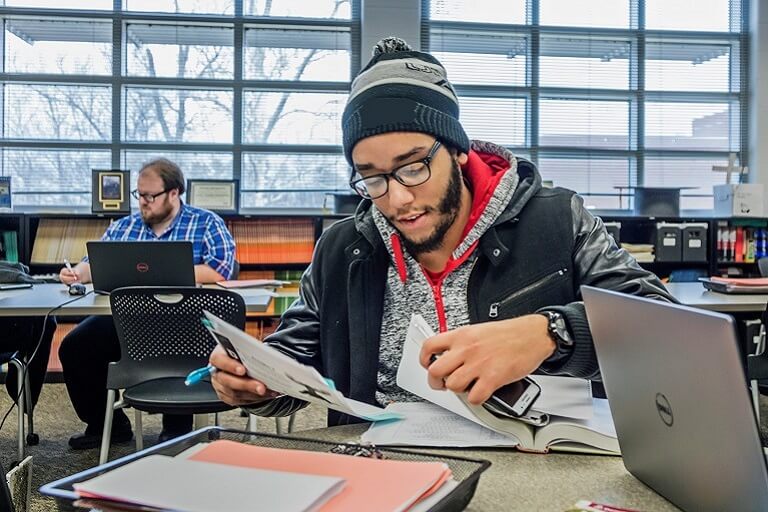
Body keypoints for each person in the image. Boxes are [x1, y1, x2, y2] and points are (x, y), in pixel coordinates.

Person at [209, 37, 674, 426]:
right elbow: (295, 369)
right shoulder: (341, 248)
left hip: (534, 468)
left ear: (456, 150)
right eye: (371, 179)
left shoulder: (557, 219)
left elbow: (665, 331)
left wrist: (552, 332)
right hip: (382, 472)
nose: (396, 200)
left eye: (412, 168)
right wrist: (254, 383)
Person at [58, 157, 236, 450]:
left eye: (150, 196)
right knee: (76, 347)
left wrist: (167, 272)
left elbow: (220, 270)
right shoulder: (125, 226)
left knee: (174, 349)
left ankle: (177, 428)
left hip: (186, 321)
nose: (143, 202)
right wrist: (77, 271)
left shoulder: (206, 223)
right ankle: (109, 426)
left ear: (174, 193)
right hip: (127, 321)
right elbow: (94, 262)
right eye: (139, 195)